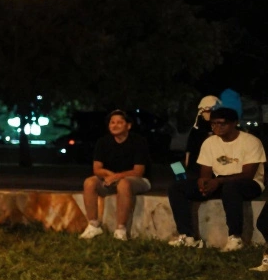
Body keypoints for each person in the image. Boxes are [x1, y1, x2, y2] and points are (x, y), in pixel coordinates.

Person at [167, 108, 264, 251]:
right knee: (177, 187)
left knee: (231, 187)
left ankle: (235, 238)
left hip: (250, 184)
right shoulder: (210, 142)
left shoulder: (251, 141)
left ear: (234, 123)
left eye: (222, 123)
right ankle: (187, 236)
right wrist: (203, 183)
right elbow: (205, 172)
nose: (217, 127)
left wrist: (218, 181)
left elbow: (248, 174)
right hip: (221, 182)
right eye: (213, 124)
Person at [80, 110, 151, 241]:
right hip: (111, 180)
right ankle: (93, 225)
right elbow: (97, 169)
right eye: (112, 122)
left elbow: (138, 171)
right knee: (89, 182)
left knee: (124, 184)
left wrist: (117, 177)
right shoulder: (103, 142)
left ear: (128, 126)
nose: (115, 125)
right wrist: (109, 175)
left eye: (119, 122)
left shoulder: (138, 141)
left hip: (138, 181)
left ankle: (120, 229)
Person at [184, 95, 220, 175]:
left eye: (208, 110)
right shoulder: (197, 128)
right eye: (202, 110)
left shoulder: (221, 128)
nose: (204, 112)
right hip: (196, 165)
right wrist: (187, 163)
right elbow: (190, 148)